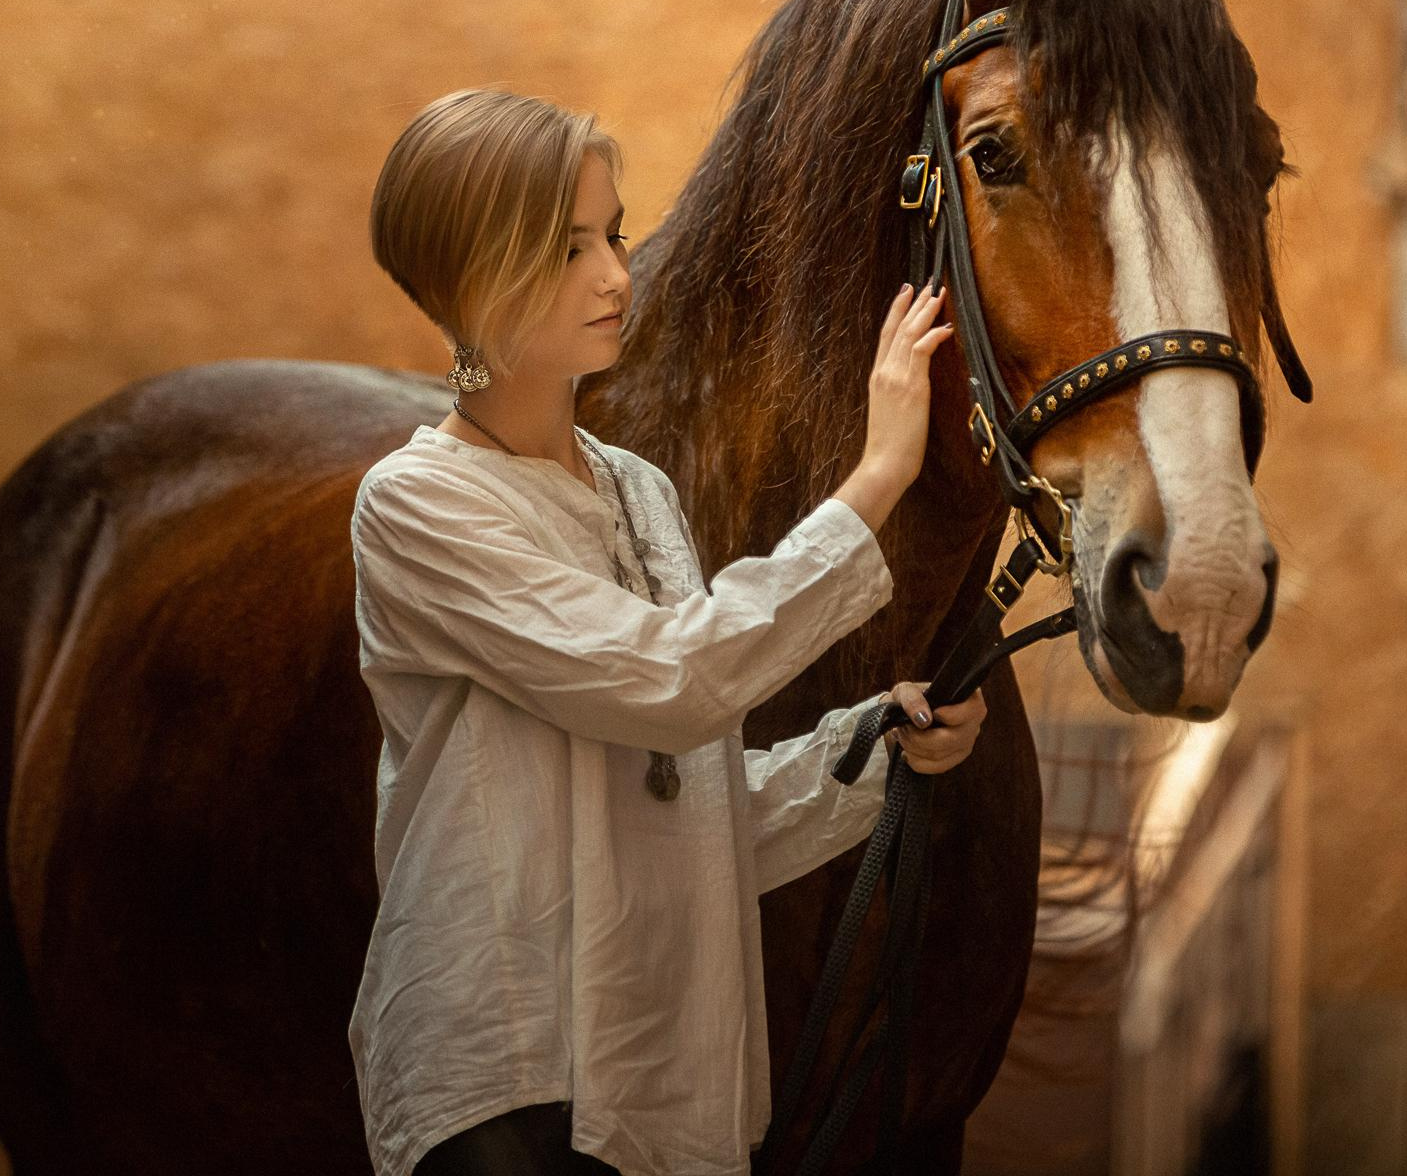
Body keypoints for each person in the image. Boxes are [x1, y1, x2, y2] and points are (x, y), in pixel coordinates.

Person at [350, 87, 988, 1176]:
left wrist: (870, 751)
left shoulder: (637, 491)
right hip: (505, 1088)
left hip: (650, 1078)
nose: (613, 275)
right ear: (465, 278)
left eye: (615, 234)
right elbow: (665, 679)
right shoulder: (416, 503)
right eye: (565, 248)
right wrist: (877, 478)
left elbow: (679, 812)